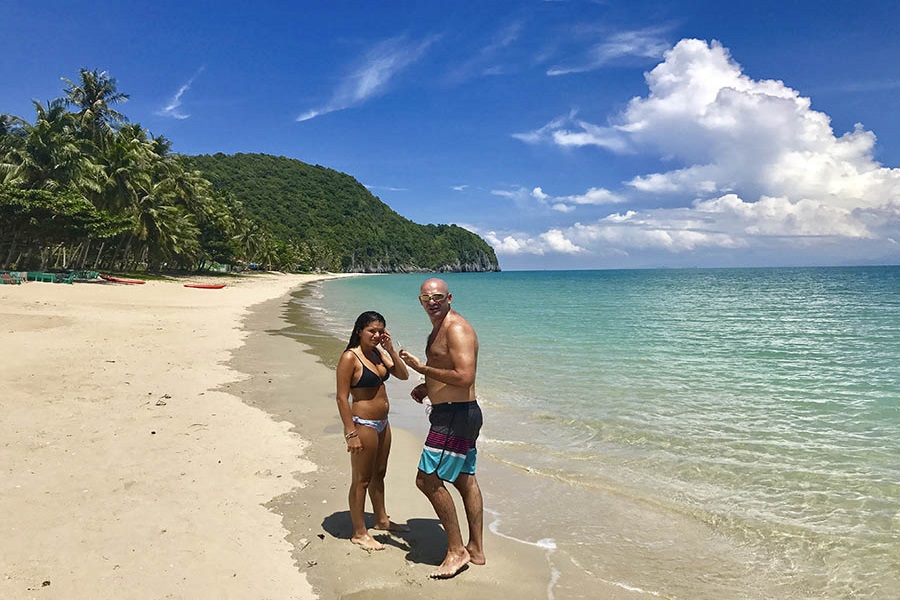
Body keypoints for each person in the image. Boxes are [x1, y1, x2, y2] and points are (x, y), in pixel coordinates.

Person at [399, 278, 485, 578]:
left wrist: (422, 370)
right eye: (425, 297)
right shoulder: (440, 327)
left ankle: (457, 550)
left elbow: (464, 376)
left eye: (437, 296)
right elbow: (450, 371)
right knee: (464, 479)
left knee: (427, 479)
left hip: (455, 417)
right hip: (458, 413)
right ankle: (475, 548)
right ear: (420, 301)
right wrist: (428, 386)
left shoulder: (456, 328)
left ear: (449, 298)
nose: (431, 302)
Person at [335, 310, 410, 551]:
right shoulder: (350, 358)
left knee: (380, 473)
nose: (376, 335)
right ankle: (359, 532)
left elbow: (403, 374)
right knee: (361, 480)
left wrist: (389, 349)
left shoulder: (379, 353)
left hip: (383, 423)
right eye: (372, 331)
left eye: (380, 331)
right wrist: (351, 432)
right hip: (363, 424)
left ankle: (381, 519)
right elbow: (341, 397)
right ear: (359, 331)